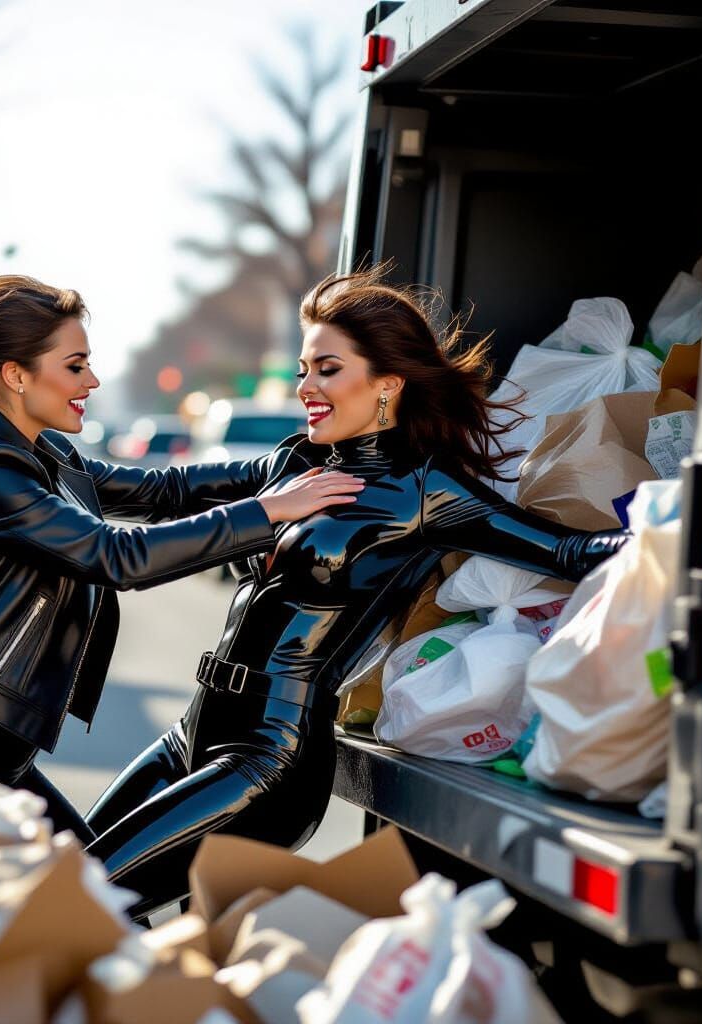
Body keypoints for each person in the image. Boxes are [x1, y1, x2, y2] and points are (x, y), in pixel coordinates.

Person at [84, 267, 629, 916]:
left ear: (388, 383)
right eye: (303, 369)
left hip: (269, 756)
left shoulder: (425, 492)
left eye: (327, 369)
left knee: (87, 904)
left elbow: (568, 551)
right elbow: (153, 492)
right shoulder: (294, 463)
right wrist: (12, 433)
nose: (306, 387)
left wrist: (677, 530)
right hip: (194, 729)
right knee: (65, 887)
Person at [0, 275, 364, 839]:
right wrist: (268, 512)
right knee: (97, 907)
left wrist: (281, 471)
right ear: (15, 375)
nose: (92, 380)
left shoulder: (36, 450)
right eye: (75, 365)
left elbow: (159, 489)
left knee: (95, 906)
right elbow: (117, 555)